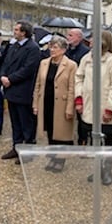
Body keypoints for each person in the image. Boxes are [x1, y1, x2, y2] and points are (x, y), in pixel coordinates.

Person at [75, 30, 112, 186]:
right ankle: (97, 170)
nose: (90, 41)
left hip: (105, 107)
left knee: (109, 140)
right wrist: (79, 98)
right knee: (94, 140)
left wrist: (110, 109)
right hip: (89, 106)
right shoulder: (87, 59)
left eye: (93, 39)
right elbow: (79, 78)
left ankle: (108, 170)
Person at [32, 35, 77, 172]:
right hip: (46, 102)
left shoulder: (71, 65)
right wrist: (35, 104)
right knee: (50, 131)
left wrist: (70, 108)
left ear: (63, 49)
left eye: (55, 47)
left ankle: (60, 159)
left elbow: (72, 88)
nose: (52, 49)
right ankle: (53, 156)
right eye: (51, 46)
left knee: (62, 133)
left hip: (62, 105)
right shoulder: (44, 63)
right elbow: (38, 85)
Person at [0, 20, 41, 164]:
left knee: (26, 123)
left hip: (23, 90)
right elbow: (5, 63)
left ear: (24, 32)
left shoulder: (33, 48)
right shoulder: (13, 46)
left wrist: (10, 79)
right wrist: (3, 76)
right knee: (15, 122)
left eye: (17, 30)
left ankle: (28, 151)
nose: (14, 31)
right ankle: (16, 147)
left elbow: (28, 69)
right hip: (11, 90)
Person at [66, 28, 90, 145]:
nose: (68, 37)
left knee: (81, 116)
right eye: (68, 35)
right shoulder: (67, 50)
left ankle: (83, 139)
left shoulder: (85, 52)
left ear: (79, 37)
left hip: (80, 86)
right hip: (67, 86)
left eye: (71, 35)